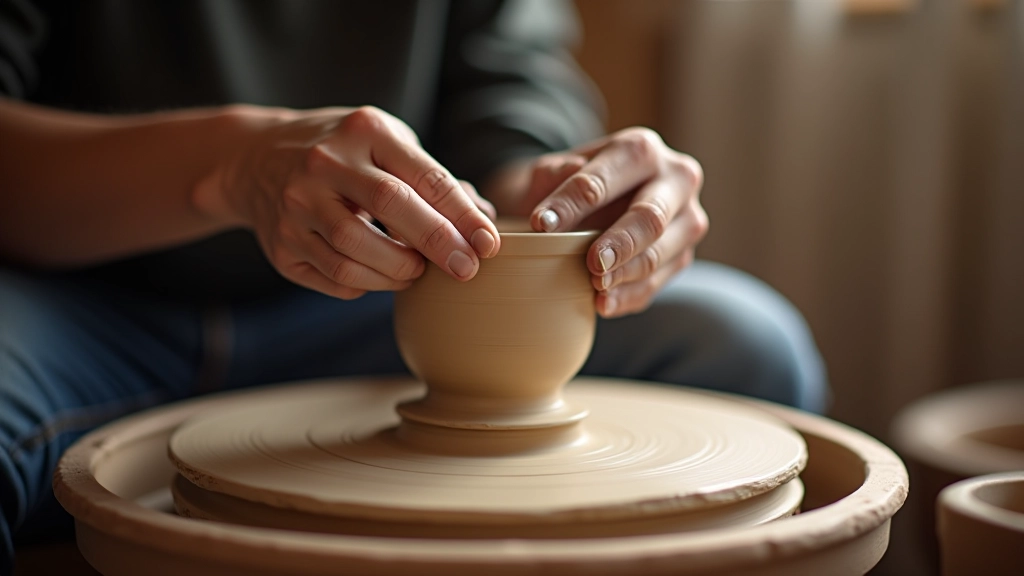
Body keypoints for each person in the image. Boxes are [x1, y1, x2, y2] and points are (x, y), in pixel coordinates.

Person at [0, 1, 827, 572]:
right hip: (82, 308)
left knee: (744, 344)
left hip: (376, 295)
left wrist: (545, 194)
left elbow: (505, 86)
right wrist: (232, 166)